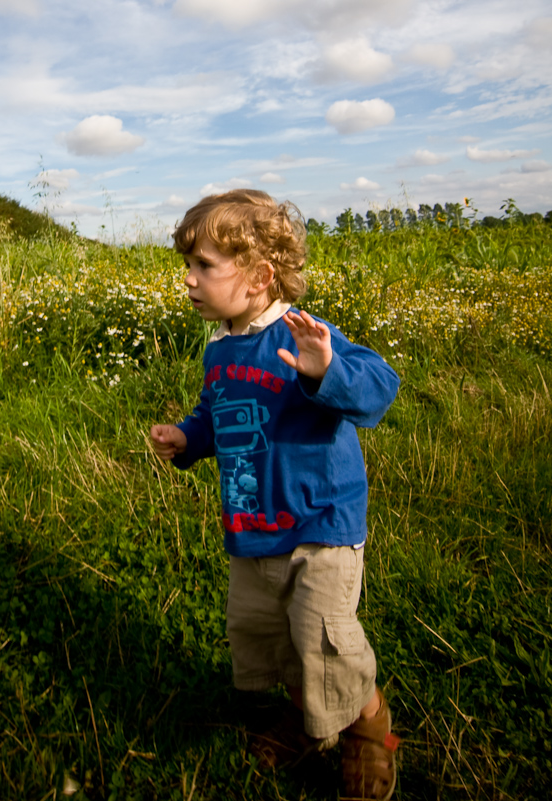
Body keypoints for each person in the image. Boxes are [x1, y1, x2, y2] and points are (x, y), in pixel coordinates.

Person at [149, 190, 401, 800]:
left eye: (204, 266)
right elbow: (220, 414)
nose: (188, 280)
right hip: (252, 526)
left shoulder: (301, 334)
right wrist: (189, 437)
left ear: (260, 276)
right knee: (276, 638)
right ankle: (309, 720)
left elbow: (378, 388)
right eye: (188, 265)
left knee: (325, 640)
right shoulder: (221, 348)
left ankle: (368, 727)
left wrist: (323, 369)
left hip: (320, 524)